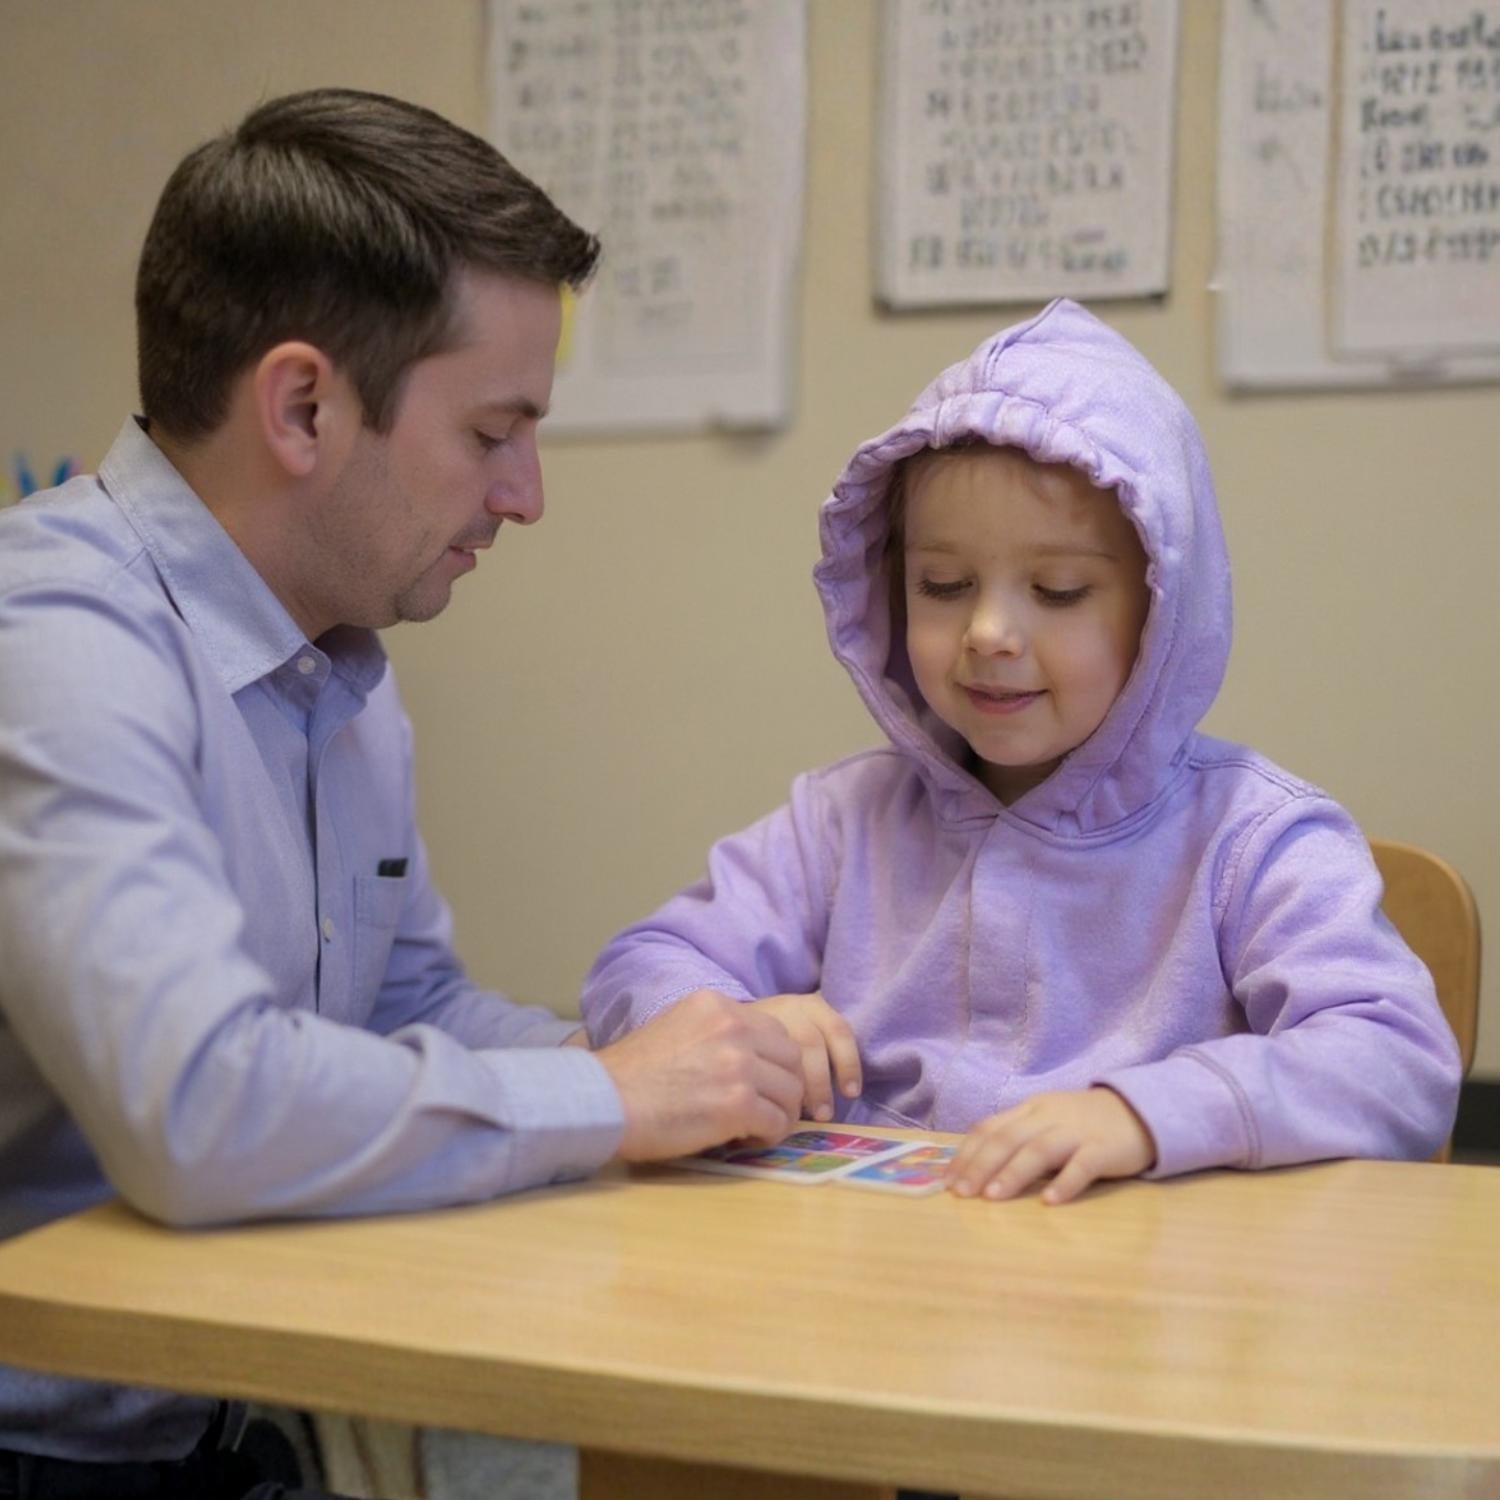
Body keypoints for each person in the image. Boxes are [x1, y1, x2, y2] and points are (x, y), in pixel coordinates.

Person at [0, 88, 806, 1495]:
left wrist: (694, 1061)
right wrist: (612, 1098)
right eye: (494, 432)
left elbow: (406, 1007)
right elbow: (200, 1111)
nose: (527, 495)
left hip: (230, 1423)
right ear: (305, 406)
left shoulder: (338, 664)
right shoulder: (53, 638)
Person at [581, 298, 1463, 1208]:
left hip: (1142, 1306)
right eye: (945, 585)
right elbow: (639, 963)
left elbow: (1398, 1063)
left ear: (1162, 613)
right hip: (874, 1297)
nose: (990, 632)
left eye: (1059, 588)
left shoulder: (1256, 840)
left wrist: (1146, 1114)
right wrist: (731, 1027)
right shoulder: (842, 822)